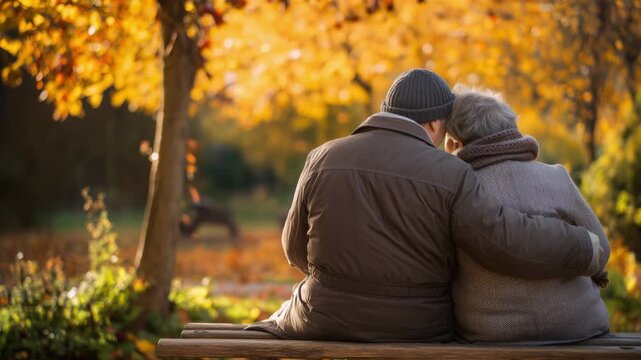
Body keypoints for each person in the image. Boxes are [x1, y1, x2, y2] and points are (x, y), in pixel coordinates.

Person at [247, 69, 606, 342]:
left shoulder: (322, 157)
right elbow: (505, 241)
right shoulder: (450, 172)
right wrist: (586, 247)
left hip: (323, 316)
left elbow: (293, 250)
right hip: (417, 326)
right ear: (435, 122)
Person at [444, 87, 610, 344]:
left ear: (457, 140)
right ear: (510, 129)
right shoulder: (556, 176)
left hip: (490, 331)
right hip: (577, 325)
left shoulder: (459, 191)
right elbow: (601, 248)